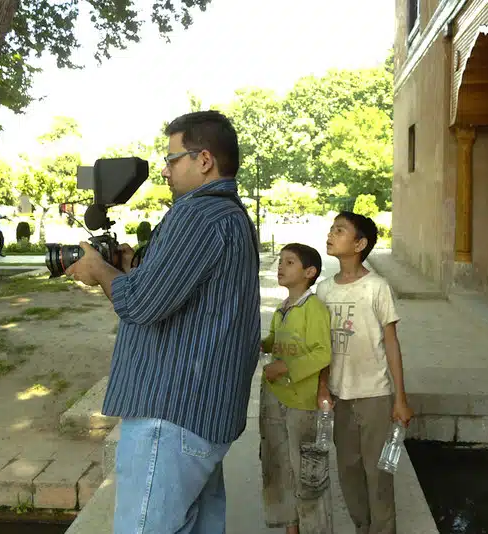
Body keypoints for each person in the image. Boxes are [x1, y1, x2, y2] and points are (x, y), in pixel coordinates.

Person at [64, 110, 260, 534]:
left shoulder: (198, 216)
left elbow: (141, 304)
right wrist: (131, 266)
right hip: (203, 413)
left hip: (171, 414)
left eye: (173, 160)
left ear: (204, 159)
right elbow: (179, 291)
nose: (166, 171)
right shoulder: (231, 216)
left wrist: (99, 270)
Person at [316, 211, 414, 534]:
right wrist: (322, 388)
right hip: (339, 395)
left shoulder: (377, 288)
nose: (331, 234)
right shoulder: (324, 291)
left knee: (379, 472)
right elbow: (321, 347)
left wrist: (400, 399)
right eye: (332, 229)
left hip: (375, 395)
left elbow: (391, 343)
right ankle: (364, 525)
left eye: (340, 230)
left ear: (359, 244)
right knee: (348, 468)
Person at [260, 243, 332, 534]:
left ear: (309, 272)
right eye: (280, 261)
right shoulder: (283, 308)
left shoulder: (313, 308)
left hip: (302, 404)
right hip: (276, 398)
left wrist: (285, 367)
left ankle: (314, 527)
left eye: (289, 262)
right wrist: (259, 345)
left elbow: (322, 352)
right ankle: (292, 526)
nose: (281, 267)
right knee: (279, 466)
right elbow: (274, 342)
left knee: (308, 472)